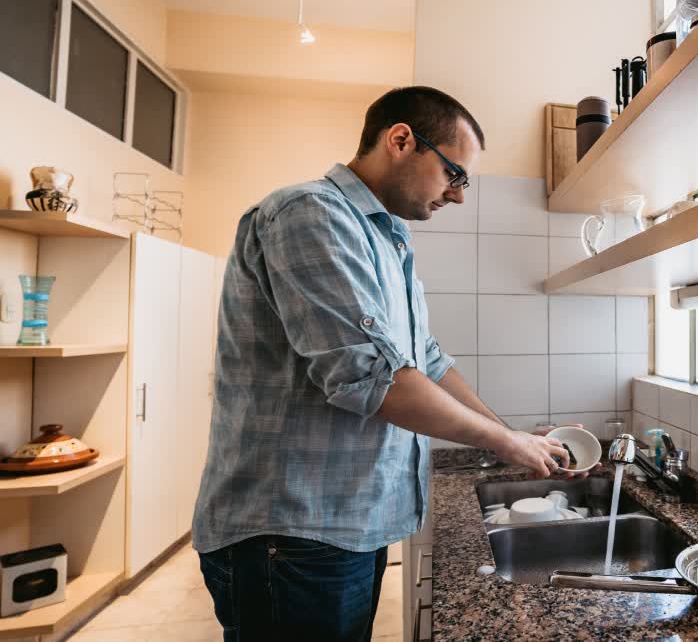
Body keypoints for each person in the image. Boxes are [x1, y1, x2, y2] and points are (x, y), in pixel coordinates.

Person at [191, 86, 572, 641]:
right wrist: (505, 443)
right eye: (455, 175)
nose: (459, 196)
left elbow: (428, 362)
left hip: (342, 525)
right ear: (401, 140)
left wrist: (514, 435)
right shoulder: (310, 214)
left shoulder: (386, 238)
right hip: (293, 532)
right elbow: (374, 380)